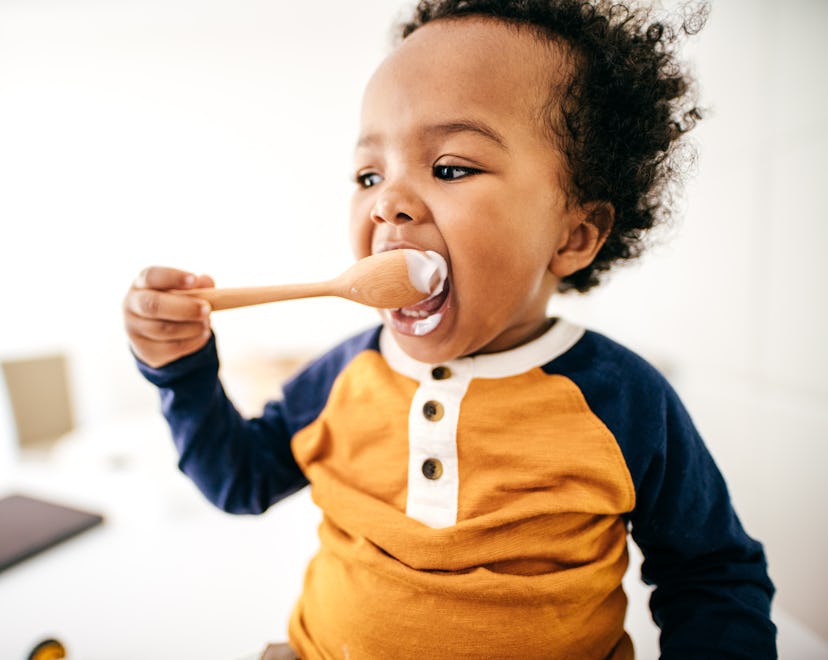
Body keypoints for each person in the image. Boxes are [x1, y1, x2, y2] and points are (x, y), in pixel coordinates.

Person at [123, 0, 776, 657]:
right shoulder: (344, 377)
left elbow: (713, 576)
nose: (388, 202)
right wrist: (181, 371)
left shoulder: (623, 401)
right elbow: (239, 480)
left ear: (574, 235)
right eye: (369, 175)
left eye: (451, 168)